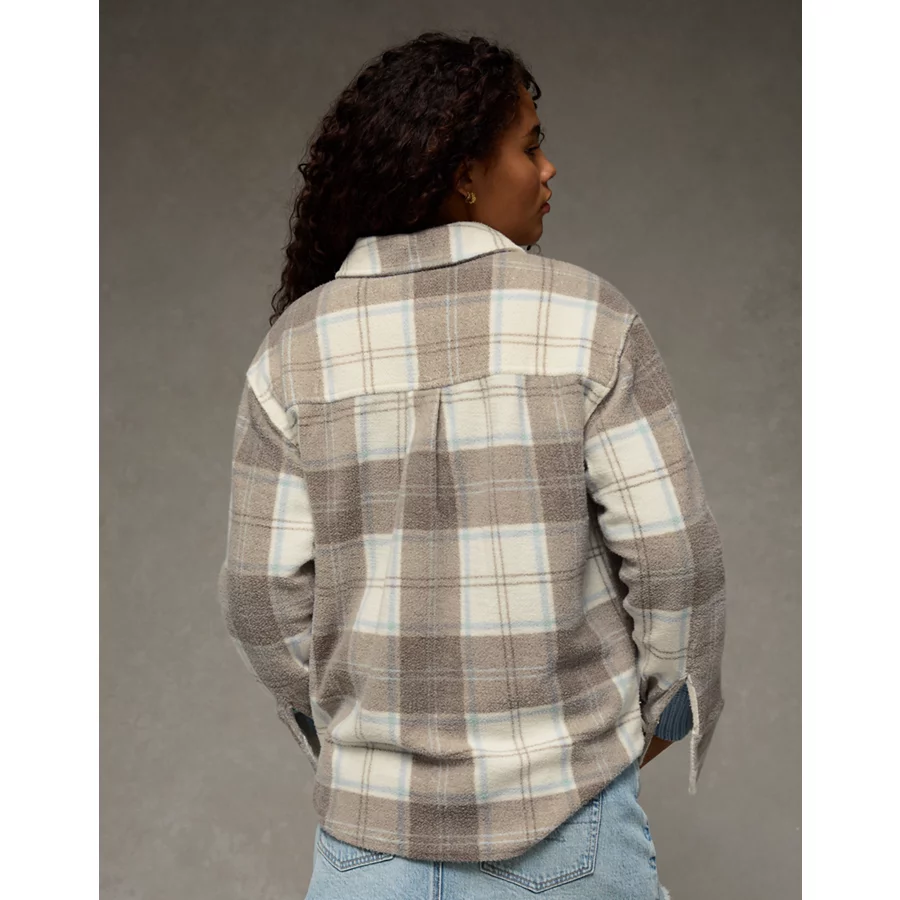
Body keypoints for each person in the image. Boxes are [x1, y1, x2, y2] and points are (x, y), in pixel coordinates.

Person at [217, 30, 726, 900]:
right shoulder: (587, 319)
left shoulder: (294, 350)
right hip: (567, 825)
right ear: (463, 174)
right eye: (530, 147)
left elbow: (260, 597)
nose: (548, 169)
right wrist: (665, 712)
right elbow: (676, 555)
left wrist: (349, 735)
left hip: (367, 847)